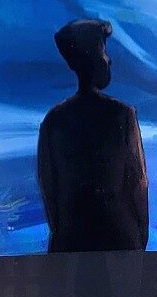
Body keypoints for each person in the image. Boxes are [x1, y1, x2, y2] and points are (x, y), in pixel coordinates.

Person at [35, 18, 150, 252]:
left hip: (70, 244)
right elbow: (137, 185)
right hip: (119, 241)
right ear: (95, 58)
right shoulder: (122, 115)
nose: (109, 59)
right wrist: (140, 241)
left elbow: (50, 193)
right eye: (104, 52)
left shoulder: (53, 121)